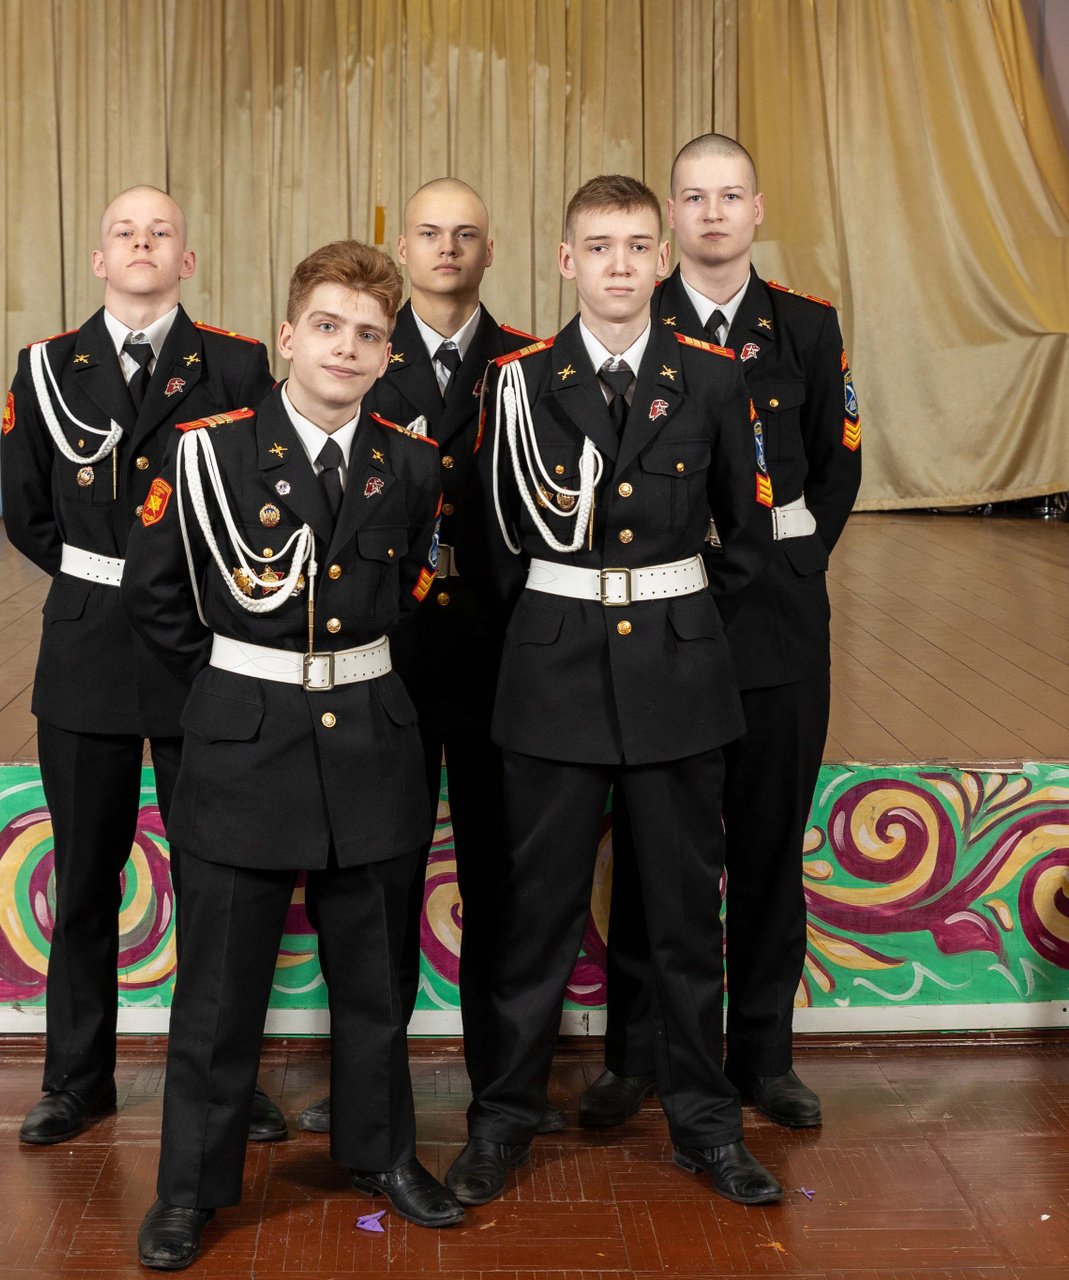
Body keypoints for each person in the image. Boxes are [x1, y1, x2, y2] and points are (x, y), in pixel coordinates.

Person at [124, 240, 464, 1270]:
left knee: (376, 981)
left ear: (388, 352)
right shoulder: (208, 453)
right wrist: (240, 690)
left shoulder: (412, 463)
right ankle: (189, 1187)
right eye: (327, 326)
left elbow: (415, 591)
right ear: (286, 335)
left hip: (371, 739)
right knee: (219, 991)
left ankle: (382, 1153)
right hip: (247, 742)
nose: (345, 348)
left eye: (368, 335)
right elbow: (157, 597)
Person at [451, 175, 780, 1208]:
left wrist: (678, 619)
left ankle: (705, 1125)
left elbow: (747, 537)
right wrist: (557, 626)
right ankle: (503, 1119)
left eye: (639, 245)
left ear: (662, 257)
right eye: (600, 247)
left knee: (683, 920)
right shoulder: (516, 383)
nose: (621, 265)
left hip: (678, 677)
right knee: (533, 919)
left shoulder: (713, 379)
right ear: (567, 261)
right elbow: (492, 547)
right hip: (551, 679)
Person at [582, 135, 862, 1134]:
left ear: (756, 209)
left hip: (775, 626)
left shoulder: (806, 328)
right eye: (694, 197)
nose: (712, 213)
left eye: (729, 195)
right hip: (662, 623)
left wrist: (792, 559)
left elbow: (836, 466)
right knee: (651, 848)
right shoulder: (632, 322)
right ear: (670, 215)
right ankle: (635, 1054)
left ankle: (764, 1057)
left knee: (769, 845)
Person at [0, 185, 285, 1147]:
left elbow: (260, 495)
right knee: (84, 879)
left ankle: (222, 1083)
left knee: (217, 881)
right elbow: (29, 514)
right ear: (99, 258)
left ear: (186, 260)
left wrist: (177, 586)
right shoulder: (47, 367)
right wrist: (113, 579)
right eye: (124, 232)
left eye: (161, 232)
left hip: (203, 648)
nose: (142, 244)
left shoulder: (237, 365)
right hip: (87, 651)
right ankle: (75, 1081)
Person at [297, 178, 547, 1137]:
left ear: (491, 250)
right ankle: (367, 1086)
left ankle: (505, 1088)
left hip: (499, 661)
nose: (448, 249)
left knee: (501, 885)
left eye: (467, 234)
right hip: (386, 663)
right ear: (402, 249)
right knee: (377, 887)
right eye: (431, 233)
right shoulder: (359, 354)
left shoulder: (531, 363)